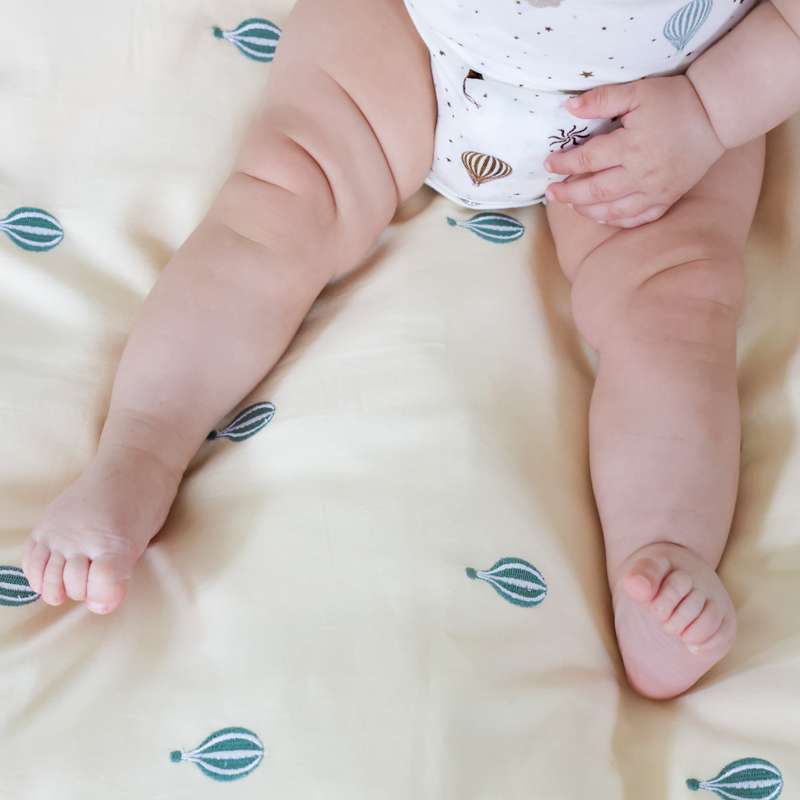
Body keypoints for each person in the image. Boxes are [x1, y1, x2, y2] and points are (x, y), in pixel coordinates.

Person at [21, 0, 800, 699]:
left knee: (672, 304)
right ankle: (140, 447)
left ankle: (662, 551)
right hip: (414, 37)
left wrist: (709, 111)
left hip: (667, 97)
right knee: (284, 199)